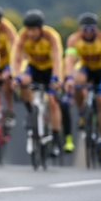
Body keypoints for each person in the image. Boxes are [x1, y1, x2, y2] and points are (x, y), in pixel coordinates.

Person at [64, 12, 101, 166]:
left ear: (96, 29)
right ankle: (82, 111)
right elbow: (70, 60)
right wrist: (68, 78)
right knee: (76, 81)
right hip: (86, 70)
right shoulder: (74, 40)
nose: (88, 33)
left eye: (91, 29)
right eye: (85, 29)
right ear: (80, 29)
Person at [11, 10, 64, 156]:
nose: (31, 33)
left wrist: (56, 79)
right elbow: (16, 59)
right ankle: (30, 111)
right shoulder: (22, 37)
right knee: (23, 82)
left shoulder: (51, 36)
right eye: (28, 29)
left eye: (34, 30)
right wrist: (16, 77)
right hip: (34, 69)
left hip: (50, 70)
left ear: (40, 28)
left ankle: (56, 137)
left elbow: (57, 59)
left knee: (53, 102)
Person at [0, 7, 19, 132]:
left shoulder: (7, 29)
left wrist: (10, 70)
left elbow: (15, 50)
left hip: (7, 62)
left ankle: (9, 110)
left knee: (6, 84)